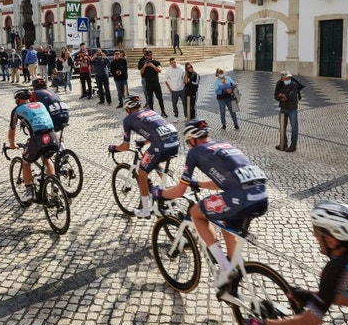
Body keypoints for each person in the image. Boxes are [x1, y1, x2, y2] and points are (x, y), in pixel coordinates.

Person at [153, 119, 268, 290]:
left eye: (188, 142)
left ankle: (225, 268)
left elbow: (179, 192)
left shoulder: (195, 152)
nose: (189, 146)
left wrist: (159, 192)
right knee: (225, 224)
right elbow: (222, 182)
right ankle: (233, 274)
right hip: (261, 196)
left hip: (240, 197)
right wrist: (198, 183)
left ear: (191, 139)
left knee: (195, 212)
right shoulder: (224, 145)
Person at [107, 95, 179, 218]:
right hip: (174, 141)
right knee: (156, 161)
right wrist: (145, 142)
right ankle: (169, 192)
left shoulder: (128, 119)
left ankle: (145, 210)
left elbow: (125, 146)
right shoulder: (150, 111)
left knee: (141, 172)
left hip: (160, 145)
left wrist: (114, 148)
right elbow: (157, 130)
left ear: (128, 109)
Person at [8, 89, 58, 204]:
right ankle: (54, 184)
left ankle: (28, 191)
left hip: (38, 140)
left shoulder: (17, 110)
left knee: (26, 161)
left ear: (18, 99)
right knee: (46, 158)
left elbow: (12, 131)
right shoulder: (40, 104)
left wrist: (12, 145)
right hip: (52, 136)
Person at [274, 71, 304, 152]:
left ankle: (293, 145)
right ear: (282, 79)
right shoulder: (279, 84)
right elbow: (276, 96)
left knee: (294, 127)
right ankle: (283, 143)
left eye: (289, 78)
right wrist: (281, 96)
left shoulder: (294, 85)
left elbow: (292, 95)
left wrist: (283, 95)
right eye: (286, 78)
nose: (288, 79)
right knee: (282, 127)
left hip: (292, 108)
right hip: (283, 108)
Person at [139, 50, 166, 116]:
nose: (149, 56)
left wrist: (153, 66)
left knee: (160, 98)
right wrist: (144, 66)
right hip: (148, 84)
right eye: (148, 55)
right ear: (146, 56)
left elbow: (159, 70)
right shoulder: (143, 63)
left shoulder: (156, 62)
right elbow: (141, 73)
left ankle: (163, 111)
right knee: (150, 99)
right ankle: (152, 113)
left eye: (150, 55)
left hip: (156, 83)